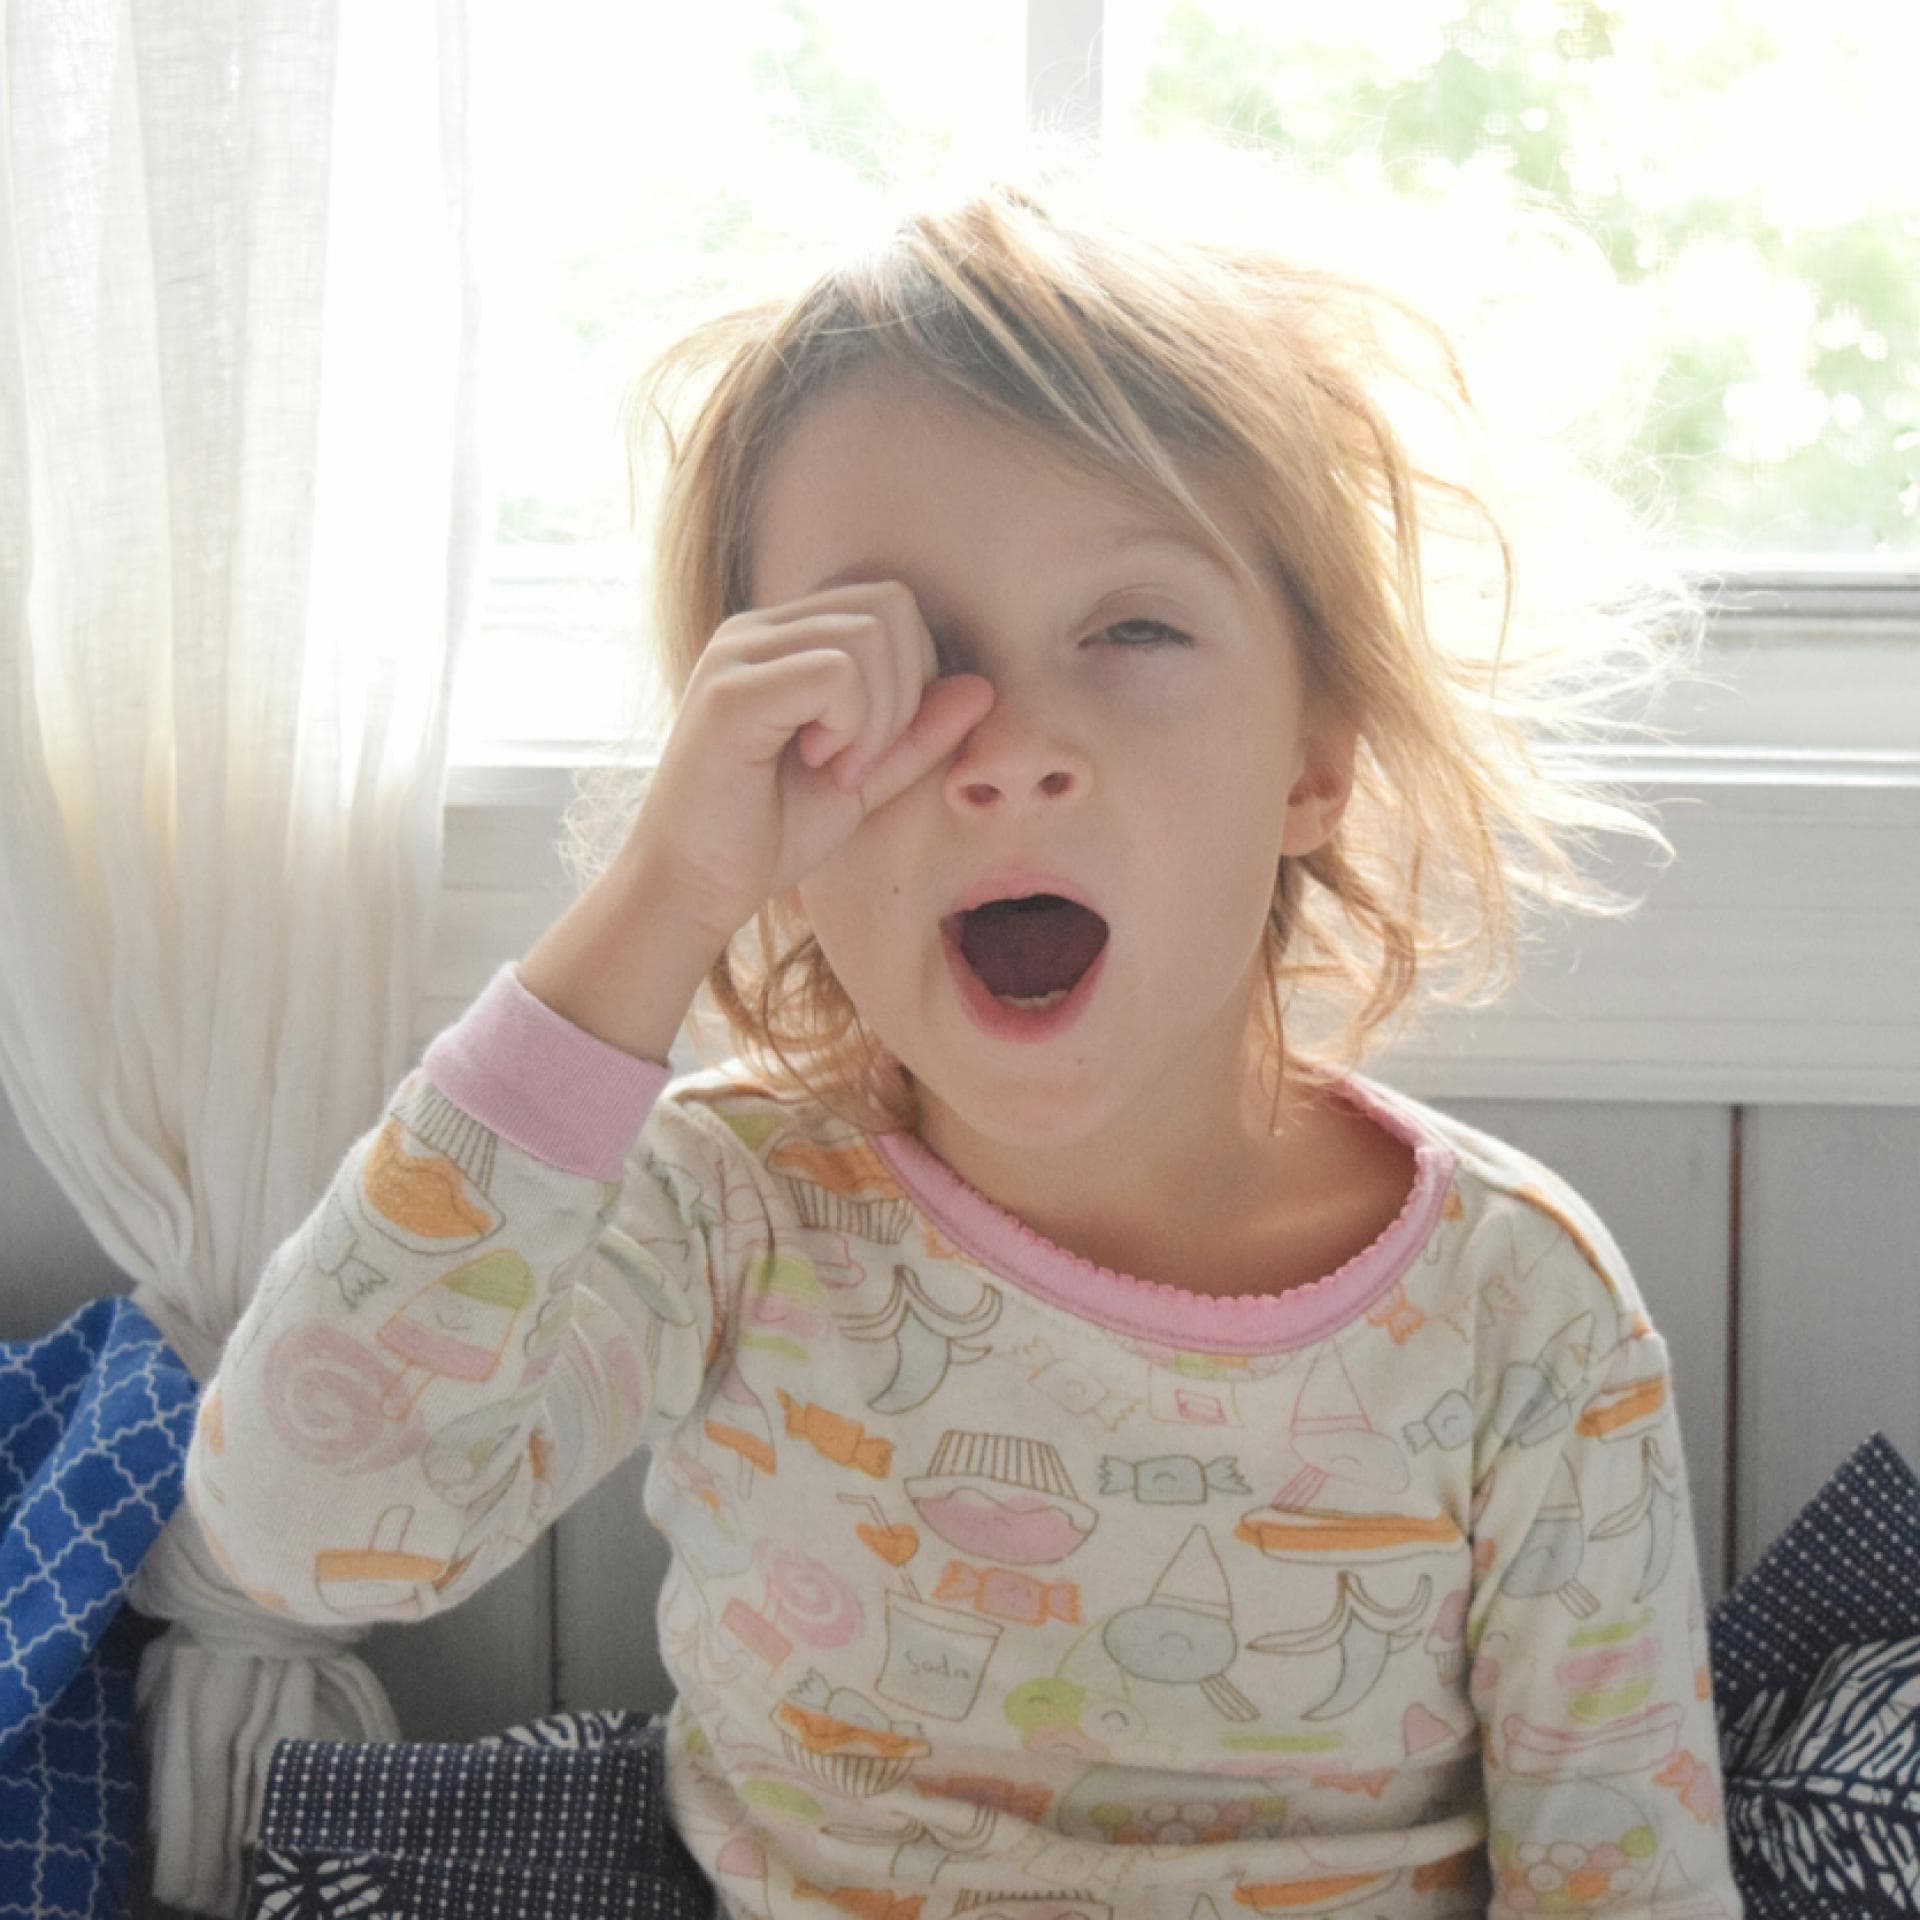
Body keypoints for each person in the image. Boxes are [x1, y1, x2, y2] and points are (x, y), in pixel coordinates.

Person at [184, 146, 1746, 1918]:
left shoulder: (1518, 1308)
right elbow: (301, 1527)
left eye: (1135, 627)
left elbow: (1624, 1879)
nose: (1007, 745)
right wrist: (658, 900)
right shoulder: (731, 1208)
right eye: (899, 657)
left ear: (1314, 759)